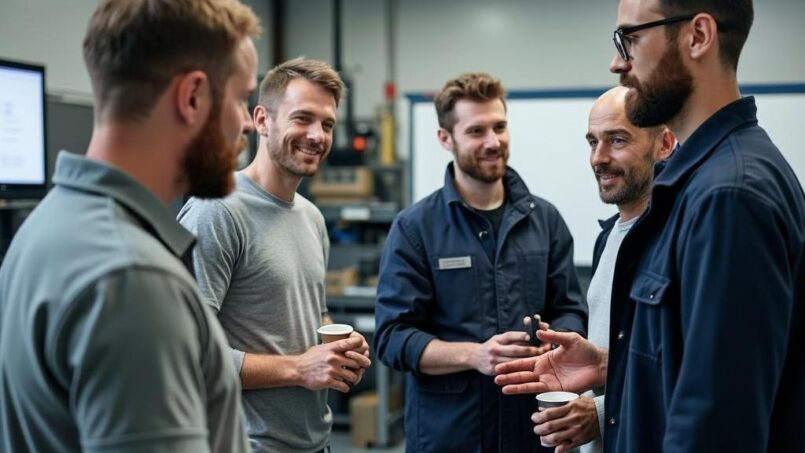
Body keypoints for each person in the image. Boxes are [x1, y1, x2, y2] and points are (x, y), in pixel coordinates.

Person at [497, 0, 805, 451]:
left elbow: (717, 423)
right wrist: (611, 363)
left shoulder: (728, 195)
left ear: (698, 36)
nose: (617, 62)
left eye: (632, 39)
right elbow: (690, 362)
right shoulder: (695, 187)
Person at [0, 0, 261, 451]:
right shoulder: (133, 280)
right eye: (240, 98)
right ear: (192, 97)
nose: (246, 123)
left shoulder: (44, 227)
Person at [374, 72, 588, 452]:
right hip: (450, 435)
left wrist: (555, 344)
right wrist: (475, 355)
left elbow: (570, 309)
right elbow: (393, 338)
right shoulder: (415, 229)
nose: (493, 142)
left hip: (531, 432)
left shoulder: (546, 220)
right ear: (446, 138)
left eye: (500, 127)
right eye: (476, 131)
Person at [178, 57, 371, 453]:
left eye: (328, 124)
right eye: (303, 118)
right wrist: (300, 368)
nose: (317, 135)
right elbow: (184, 354)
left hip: (315, 442)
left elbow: (314, 315)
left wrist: (341, 345)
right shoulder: (216, 210)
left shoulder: (312, 217)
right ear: (262, 120)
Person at [532, 87, 674, 453]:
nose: (599, 158)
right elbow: (636, 356)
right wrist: (599, 365)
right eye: (593, 142)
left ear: (664, 143)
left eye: (617, 140)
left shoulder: (677, 241)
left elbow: (695, 371)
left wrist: (601, 410)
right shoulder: (608, 237)